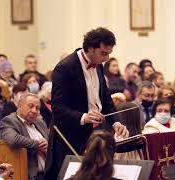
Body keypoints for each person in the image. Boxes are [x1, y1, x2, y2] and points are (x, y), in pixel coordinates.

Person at [44, 27, 129, 179]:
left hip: (94, 134)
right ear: (90, 48)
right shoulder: (65, 68)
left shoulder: (99, 65)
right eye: (104, 53)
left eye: (109, 53)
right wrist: (84, 117)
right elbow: (58, 108)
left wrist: (116, 123)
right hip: (69, 136)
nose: (107, 58)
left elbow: (105, 98)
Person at [0, 93, 48, 180]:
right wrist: (37, 144)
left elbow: (49, 142)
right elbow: (13, 140)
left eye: (37, 108)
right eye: (30, 106)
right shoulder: (9, 121)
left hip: (48, 173)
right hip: (29, 175)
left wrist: (47, 143)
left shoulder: (40, 122)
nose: (34, 110)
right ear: (19, 105)